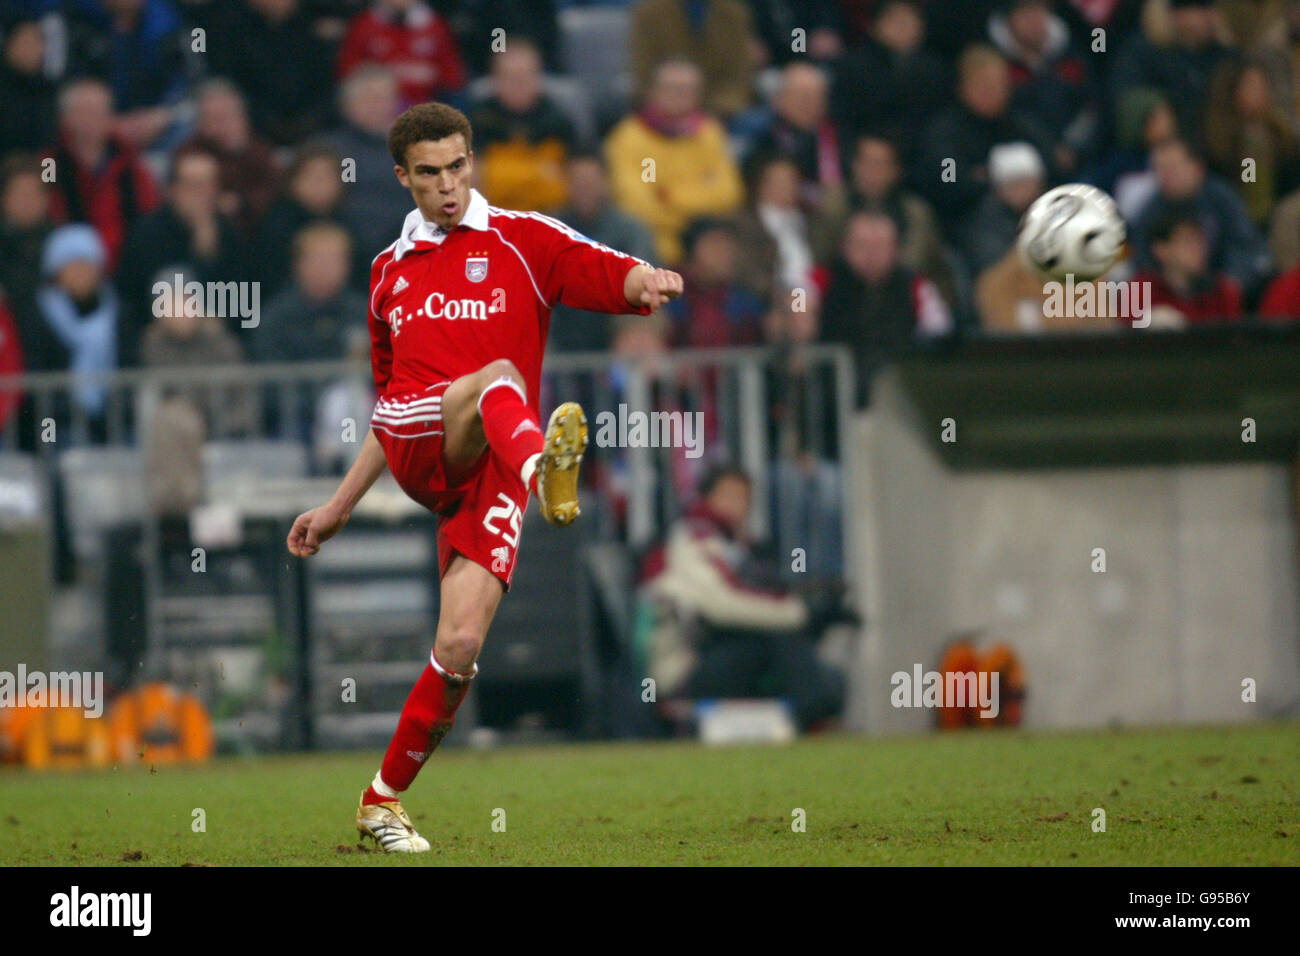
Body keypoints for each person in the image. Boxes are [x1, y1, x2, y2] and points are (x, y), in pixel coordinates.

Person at [285, 102, 684, 852]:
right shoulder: (386, 274)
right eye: (429, 173)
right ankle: (545, 469)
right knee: (499, 376)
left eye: (458, 166)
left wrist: (645, 279)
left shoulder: (524, 240)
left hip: (490, 467)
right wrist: (346, 498)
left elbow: (598, 266)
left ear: (473, 161)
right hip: (420, 437)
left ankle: (381, 801)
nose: (448, 185)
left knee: (462, 644)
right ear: (403, 177)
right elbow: (386, 404)